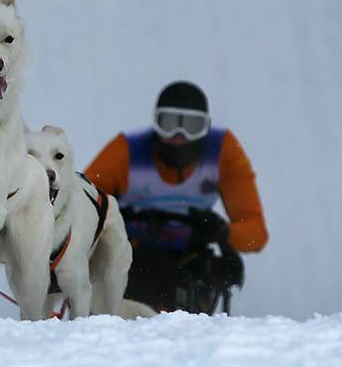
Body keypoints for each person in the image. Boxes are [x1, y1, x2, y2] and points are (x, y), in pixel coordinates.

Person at [85, 81, 268, 313]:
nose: (179, 136)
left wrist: (224, 233)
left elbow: (256, 234)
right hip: (130, 255)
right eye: (169, 123)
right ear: (156, 123)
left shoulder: (223, 152)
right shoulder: (126, 150)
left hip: (188, 260)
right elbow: (82, 205)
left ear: (206, 127)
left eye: (191, 126)